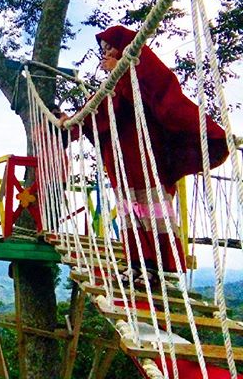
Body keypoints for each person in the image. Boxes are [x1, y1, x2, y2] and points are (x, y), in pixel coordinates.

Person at [60, 25, 228, 284]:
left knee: (153, 209)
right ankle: (136, 264)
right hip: (122, 160)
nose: (106, 54)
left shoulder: (141, 63)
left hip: (147, 153)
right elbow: (97, 112)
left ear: (123, 45)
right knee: (129, 210)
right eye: (103, 50)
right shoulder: (112, 81)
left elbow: (155, 95)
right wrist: (69, 124)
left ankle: (159, 267)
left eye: (110, 48)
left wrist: (122, 69)